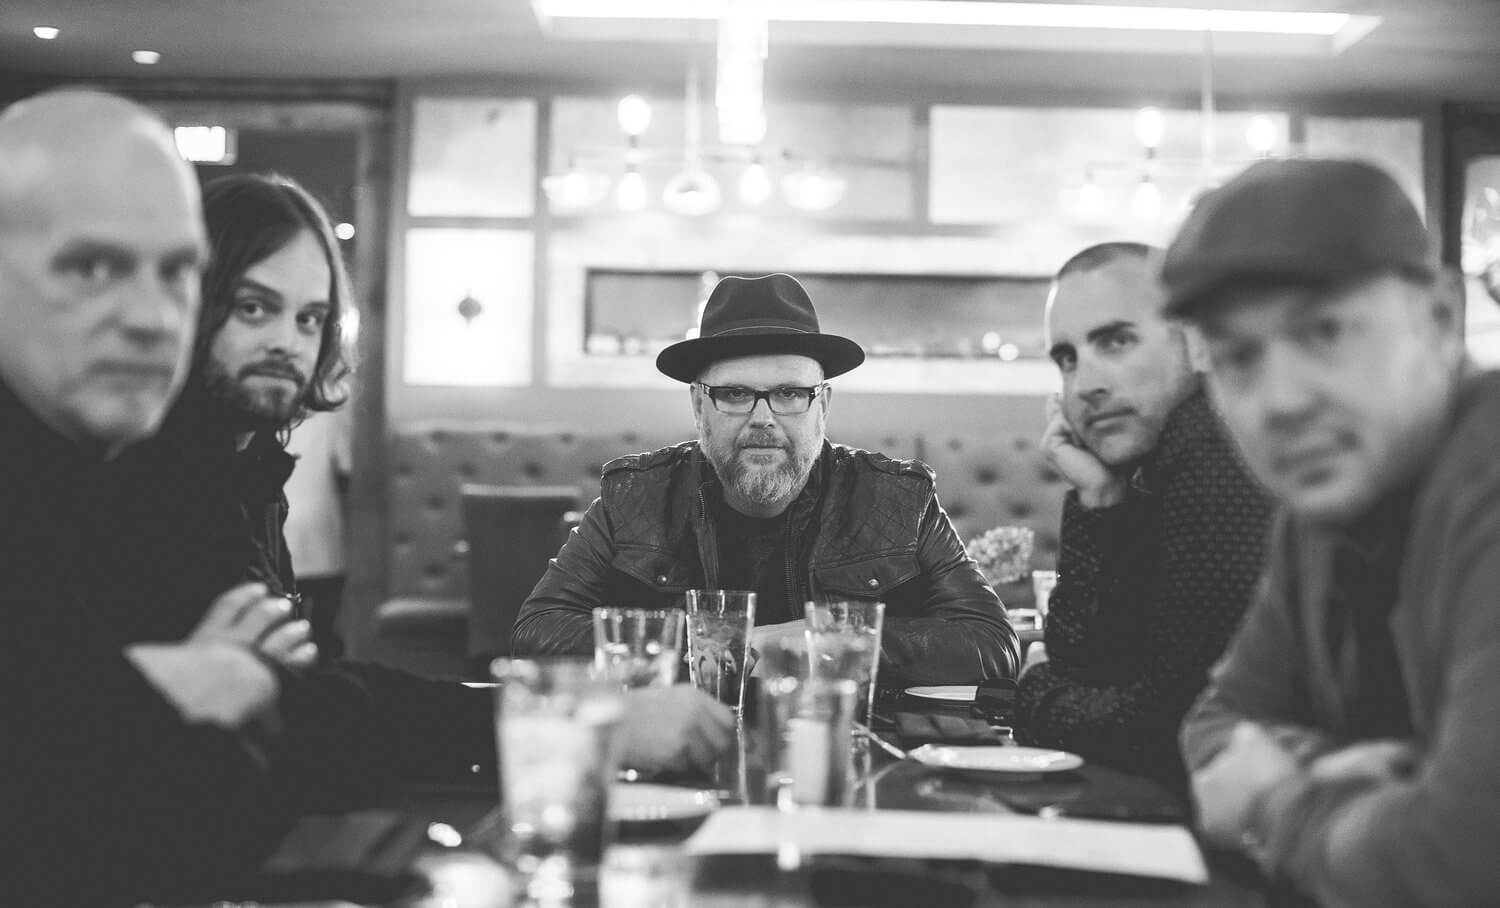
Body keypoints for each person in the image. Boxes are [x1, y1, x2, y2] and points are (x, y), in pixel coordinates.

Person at [101, 171, 736, 793]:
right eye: (254, 308)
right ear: (189, 303)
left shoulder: (249, 468)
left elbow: (311, 697)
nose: (286, 344)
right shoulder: (148, 481)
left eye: (309, 319)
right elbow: (299, 714)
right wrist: (587, 722)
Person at [0, 88, 302, 907]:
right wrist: (167, 697)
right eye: (92, 267)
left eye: (177, 274)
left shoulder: (127, 478)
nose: (150, 317)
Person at [1168, 158, 1496, 906]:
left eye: (1325, 331)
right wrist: (1372, 786)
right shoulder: (1318, 521)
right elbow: (1216, 727)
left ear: (1442, 317)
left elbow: (1467, 858)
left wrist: (1284, 806)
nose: (1280, 402)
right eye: (1238, 357)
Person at [514, 272, 1019, 684]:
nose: (763, 418)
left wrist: (812, 639)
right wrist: (719, 643)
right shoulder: (635, 495)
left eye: (790, 393)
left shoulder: (897, 498)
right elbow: (537, 631)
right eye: (734, 393)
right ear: (698, 406)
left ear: (822, 405)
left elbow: (993, 644)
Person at [1014, 243, 1272, 784]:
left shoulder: (1214, 451)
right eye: (1067, 358)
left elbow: (1169, 732)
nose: (1086, 384)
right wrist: (1097, 497)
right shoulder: (1162, 464)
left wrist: (1036, 694)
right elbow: (1088, 667)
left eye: (1117, 341)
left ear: (1196, 341)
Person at [284, 407, 354, 659]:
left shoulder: (267, 410)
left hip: (279, 530)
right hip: (323, 529)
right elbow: (346, 468)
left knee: (288, 636)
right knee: (325, 632)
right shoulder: (332, 410)